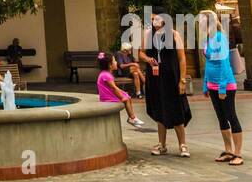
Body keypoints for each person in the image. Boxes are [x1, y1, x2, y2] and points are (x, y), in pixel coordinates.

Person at [139, 11, 191, 157]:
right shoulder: (148, 35)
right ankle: (162, 144)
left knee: (176, 108)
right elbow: (141, 53)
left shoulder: (174, 35)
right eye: (152, 19)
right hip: (155, 78)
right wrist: (148, 59)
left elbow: (182, 59)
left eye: (155, 18)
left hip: (172, 77)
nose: (153, 21)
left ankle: (183, 144)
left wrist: (182, 80)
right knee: (159, 108)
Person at [201, 10, 243, 166]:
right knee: (221, 118)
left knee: (231, 116)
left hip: (225, 85)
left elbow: (225, 64)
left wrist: (223, 88)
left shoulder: (220, 38)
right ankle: (228, 150)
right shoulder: (208, 39)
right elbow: (209, 64)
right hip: (212, 84)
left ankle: (238, 153)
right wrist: (206, 84)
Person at [97, 52, 146, 127]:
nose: (116, 62)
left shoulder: (106, 74)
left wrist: (122, 92)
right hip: (106, 97)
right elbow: (113, 88)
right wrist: (121, 96)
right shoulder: (106, 75)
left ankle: (132, 117)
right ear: (110, 65)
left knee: (128, 96)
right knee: (126, 99)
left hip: (107, 95)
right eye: (114, 61)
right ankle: (132, 118)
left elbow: (114, 88)